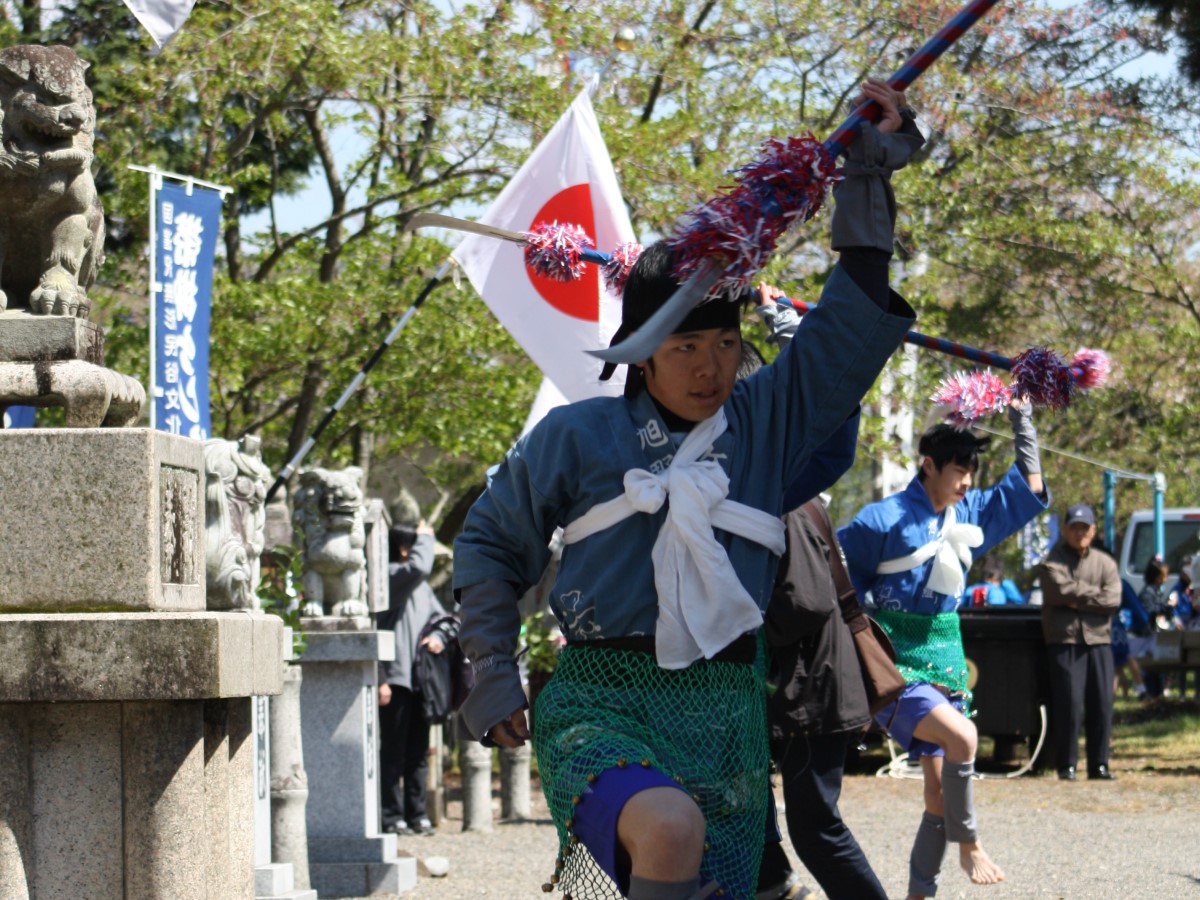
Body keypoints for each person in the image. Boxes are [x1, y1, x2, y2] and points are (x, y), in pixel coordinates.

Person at [454, 78, 919, 900]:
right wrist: (491, 667)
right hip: (601, 704)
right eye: (685, 347)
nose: (710, 367)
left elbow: (848, 326)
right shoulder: (575, 436)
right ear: (639, 353)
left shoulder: (766, 419)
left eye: (727, 344)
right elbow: (490, 542)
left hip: (727, 716)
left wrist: (868, 177)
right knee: (669, 830)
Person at [838, 414, 1048, 900]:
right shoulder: (880, 520)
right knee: (965, 736)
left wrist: (1024, 425)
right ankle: (969, 842)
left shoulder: (970, 509)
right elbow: (835, 575)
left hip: (946, 662)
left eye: (972, 470)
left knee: (938, 796)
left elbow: (1029, 487)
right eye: (959, 470)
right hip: (893, 665)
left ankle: (918, 895)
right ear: (928, 466)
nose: (968, 480)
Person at [758, 496, 889, 900]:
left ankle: (776, 884)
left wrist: (743, 621)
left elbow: (805, 603)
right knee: (739, 796)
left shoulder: (788, 505)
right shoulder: (792, 499)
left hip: (816, 690)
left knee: (816, 829)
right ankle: (774, 883)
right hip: (812, 684)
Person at [377, 518, 454, 836]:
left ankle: (417, 813)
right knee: (393, 752)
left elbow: (447, 620)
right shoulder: (390, 577)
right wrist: (426, 537)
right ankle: (391, 815)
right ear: (405, 548)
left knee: (418, 752)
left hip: (421, 681)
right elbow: (420, 567)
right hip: (394, 681)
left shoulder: (420, 587)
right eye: (419, 544)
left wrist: (438, 635)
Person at [1036, 503, 1121, 781]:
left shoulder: (1105, 562)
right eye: (1074, 528)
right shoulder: (1053, 560)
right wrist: (1092, 595)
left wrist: (1076, 599)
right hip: (1066, 639)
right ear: (1065, 530)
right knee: (1069, 703)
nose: (1079, 533)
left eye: (1084, 528)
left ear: (1093, 530)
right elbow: (1057, 590)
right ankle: (1066, 764)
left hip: (1099, 640)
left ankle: (1099, 764)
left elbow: (1113, 600)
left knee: (1102, 702)